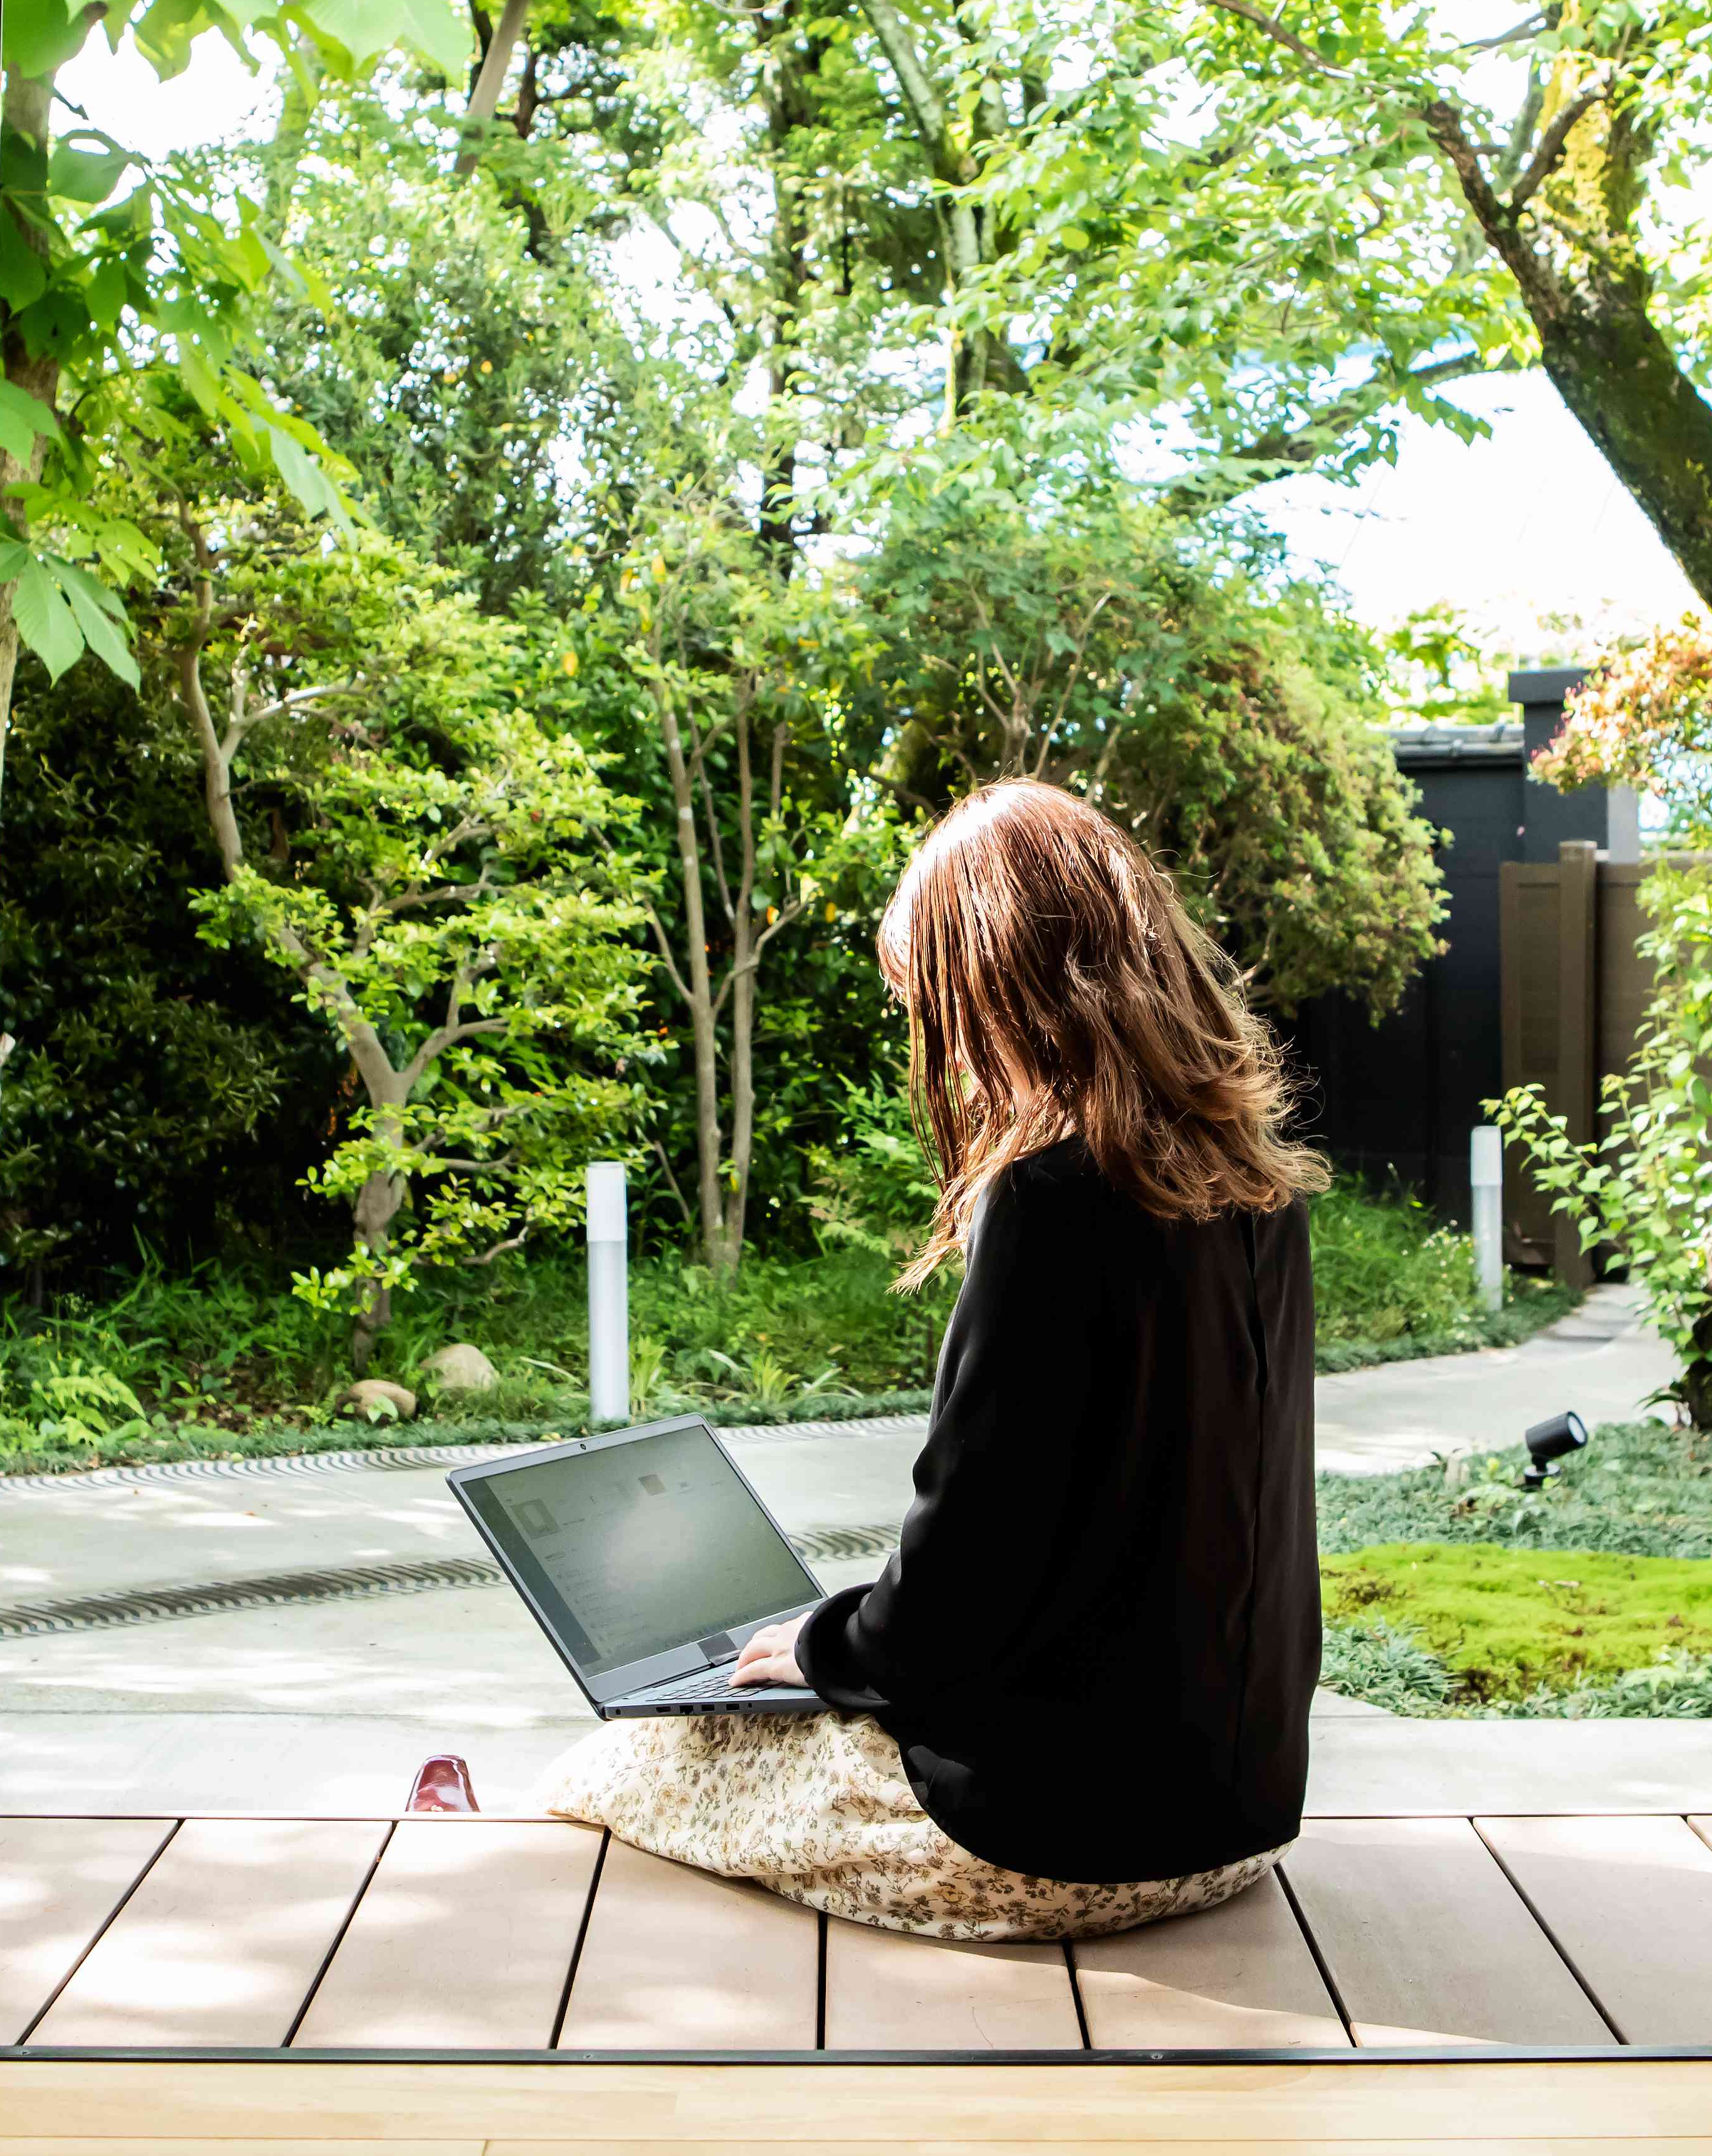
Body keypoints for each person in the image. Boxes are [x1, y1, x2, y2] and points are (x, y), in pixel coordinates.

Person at [538, 778, 1325, 1943]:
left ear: (1009, 984)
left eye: (938, 1006)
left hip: (1061, 1844)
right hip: (1239, 1821)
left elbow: (965, 1584)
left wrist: (819, 1643)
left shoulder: (1052, 1199)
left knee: (626, 1758)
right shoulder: (1259, 1192)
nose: (946, 1048)